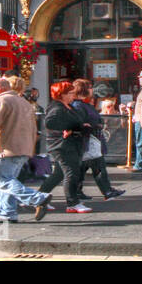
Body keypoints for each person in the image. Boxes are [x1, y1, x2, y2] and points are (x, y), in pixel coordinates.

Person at [0, 76, 50, 223]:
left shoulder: (1, 100)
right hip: (23, 148)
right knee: (8, 181)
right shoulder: (24, 102)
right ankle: (7, 213)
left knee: (4, 181)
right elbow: (33, 128)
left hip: (7, 148)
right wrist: (31, 146)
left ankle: (38, 198)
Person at [42, 80, 91, 215]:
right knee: (71, 172)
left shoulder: (67, 106)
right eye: (69, 93)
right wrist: (66, 129)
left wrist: (81, 126)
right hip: (61, 145)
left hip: (70, 143)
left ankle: (39, 198)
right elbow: (49, 123)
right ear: (61, 94)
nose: (72, 95)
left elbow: (74, 122)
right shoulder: (56, 107)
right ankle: (72, 203)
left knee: (58, 174)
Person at [70, 79, 124, 201]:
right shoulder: (79, 105)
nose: (92, 90)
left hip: (92, 139)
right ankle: (107, 191)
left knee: (83, 167)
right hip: (88, 139)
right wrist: (94, 125)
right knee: (98, 166)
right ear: (83, 90)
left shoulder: (84, 104)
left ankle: (78, 191)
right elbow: (81, 123)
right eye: (90, 88)